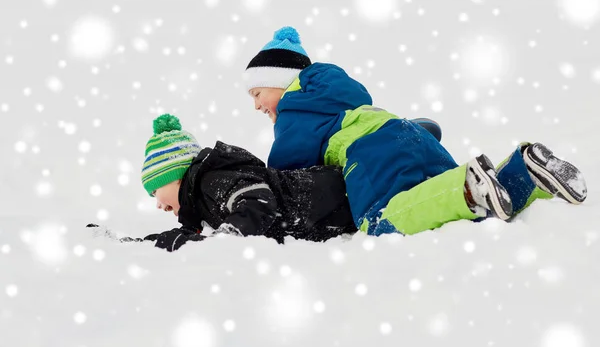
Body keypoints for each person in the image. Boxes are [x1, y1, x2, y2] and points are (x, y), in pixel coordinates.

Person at [243, 26, 588, 236]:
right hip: (412, 134)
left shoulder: (293, 107)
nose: (258, 106)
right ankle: (524, 171)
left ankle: (467, 187)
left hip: (372, 152)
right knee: (463, 212)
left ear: (280, 81)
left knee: (380, 220)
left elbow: (288, 169)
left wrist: (262, 183)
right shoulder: (335, 96)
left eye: (258, 94)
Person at [136, 113, 356, 251]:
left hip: (334, 194)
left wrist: (229, 237)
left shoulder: (210, 181)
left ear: (175, 177)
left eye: (154, 191)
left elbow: (257, 199)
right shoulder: (199, 205)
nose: (157, 204)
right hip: (329, 214)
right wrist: (144, 244)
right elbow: (188, 240)